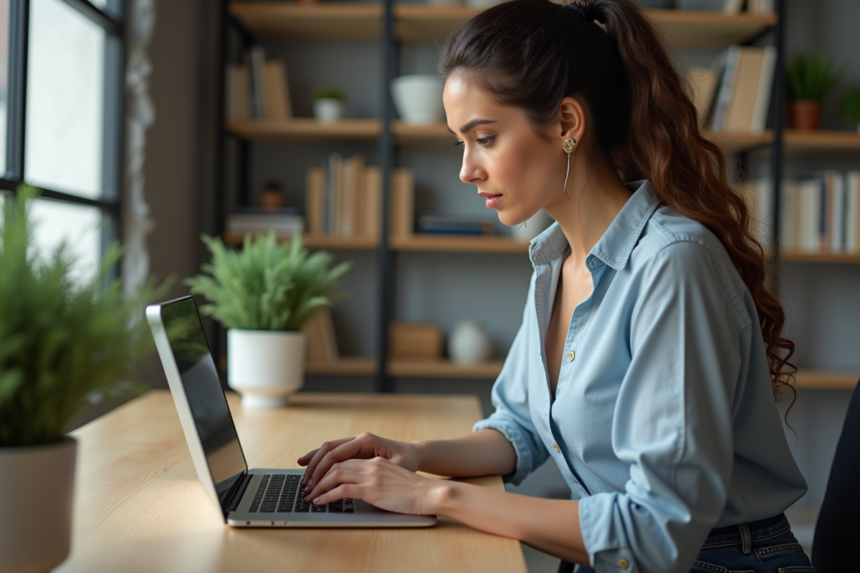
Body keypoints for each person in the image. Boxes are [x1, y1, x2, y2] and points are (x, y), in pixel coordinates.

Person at [299, 1, 815, 571]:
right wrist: (414, 456)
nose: (466, 169)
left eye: (486, 137)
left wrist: (432, 495)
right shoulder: (556, 264)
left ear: (567, 124)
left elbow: (656, 531)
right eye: (459, 143)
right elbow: (517, 427)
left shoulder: (672, 265)